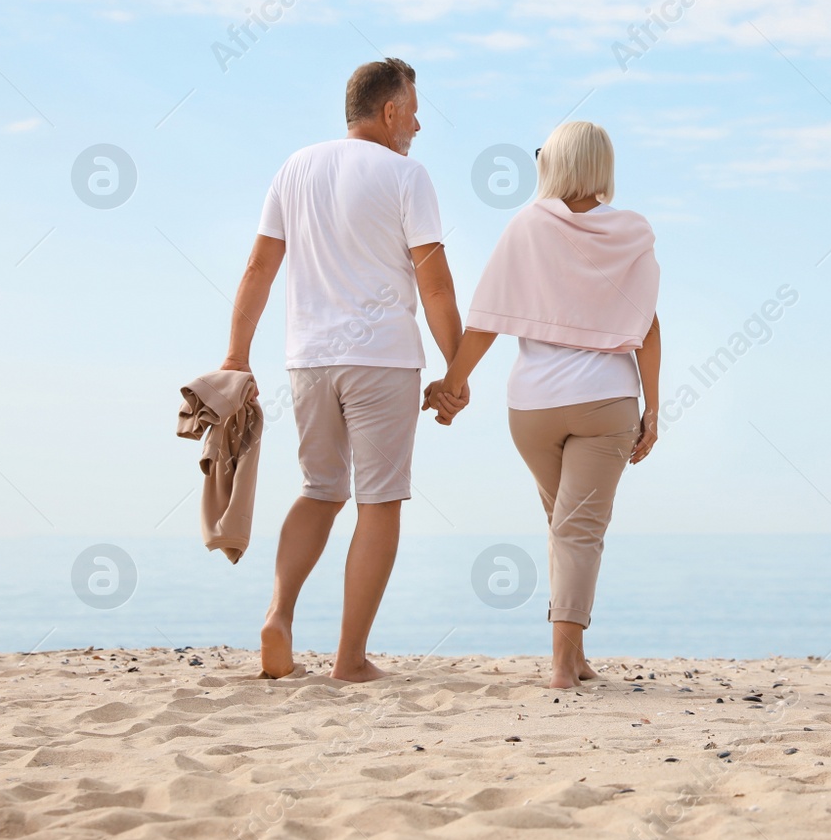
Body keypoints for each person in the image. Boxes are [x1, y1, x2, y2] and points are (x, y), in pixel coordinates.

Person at [220, 57, 465, 682]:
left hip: (308, 359)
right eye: (413, 110)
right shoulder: (408, 176)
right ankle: (350, 659)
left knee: (319, 490)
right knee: (378, 502)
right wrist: (457, 369)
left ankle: (278, 615)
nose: (417, 125)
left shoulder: (294, 168)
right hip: (380, 359)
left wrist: (236, 356)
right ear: (390, 112)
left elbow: (258, 269)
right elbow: (434, 287)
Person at [430, 121, 660, 689]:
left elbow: (486, 318)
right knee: (579, 532)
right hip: (604, 402)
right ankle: (562, 665)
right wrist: (653, 409)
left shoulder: (527, 224)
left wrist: (453, 385)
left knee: (564, 528)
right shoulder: (632, 231)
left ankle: (573, 657)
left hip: (532, 409)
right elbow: (648, 327)